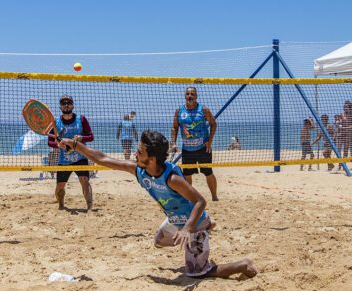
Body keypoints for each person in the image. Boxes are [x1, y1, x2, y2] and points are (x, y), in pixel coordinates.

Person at [58, 130, 257, 280]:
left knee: (197, 274)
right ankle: (203, 230)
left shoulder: (171, 179)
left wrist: (188, 229)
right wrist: (76, 145)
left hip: (190, 222)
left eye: (139, 152)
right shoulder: (139, 170)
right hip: (175, 219)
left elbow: (200, 201)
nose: (136, 155)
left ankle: (241, 264)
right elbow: (103, 159)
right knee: (160, 241)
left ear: (152, 159)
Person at [46, 95, 94, 210]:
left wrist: (82, 138)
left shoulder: (81, 119)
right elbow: (50, 142)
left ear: (73, 105)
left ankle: (90, 207)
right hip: (63, 160)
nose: (66, 105)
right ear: (60, 106)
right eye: (63, 103)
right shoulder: (55, 122)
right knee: (60, 185)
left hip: (81, 158)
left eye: (68, 103)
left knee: (85, 182)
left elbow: (91, 137)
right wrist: (57, 145)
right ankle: (61, 205)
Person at [171, 87, 219, 201]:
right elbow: (174, 127)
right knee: (187, 175)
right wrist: (173, 143)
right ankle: (189, 198)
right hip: (187, 149)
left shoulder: (203, 109)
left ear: (196, 96)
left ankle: (214, 197)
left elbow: (213, 124)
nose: (190, 96)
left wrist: (210, 141)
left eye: (192, 94)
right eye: (187, 94)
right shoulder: (179, 110)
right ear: (185, 96)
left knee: (208, 172)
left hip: (203, 148)